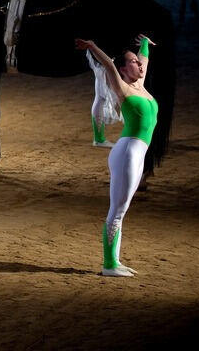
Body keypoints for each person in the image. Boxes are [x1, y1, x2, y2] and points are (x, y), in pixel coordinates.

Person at [75, 35, 157, 277]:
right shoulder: (122, 88)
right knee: (117, 210)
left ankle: (115, 261)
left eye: (139, 63)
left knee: (123, 209)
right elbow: (109, 66)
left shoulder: (140, 86)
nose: (140, 65)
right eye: (133, 63)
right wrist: (92, 46)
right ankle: (109, 265)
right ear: (123, 69)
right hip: (127, 153)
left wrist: (143, 44)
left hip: (137, 153)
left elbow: (145, 58)